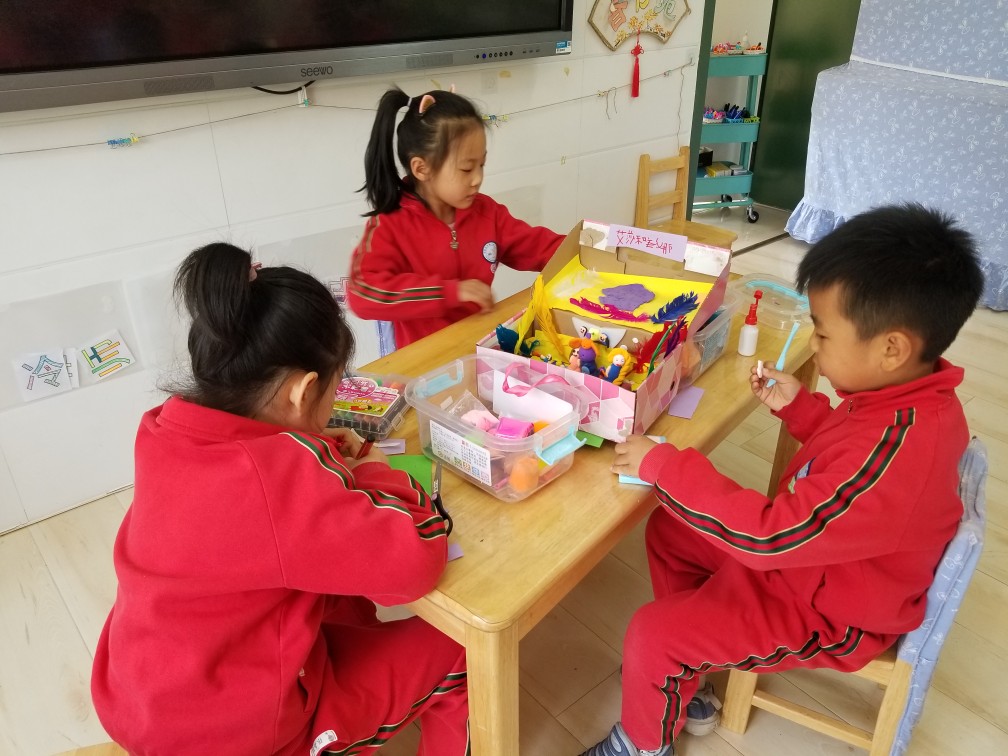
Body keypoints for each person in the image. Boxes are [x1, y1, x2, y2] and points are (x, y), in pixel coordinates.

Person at [583, 203, 984, 756]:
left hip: (833, 609)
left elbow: (772, 537)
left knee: (653, 633)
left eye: (822, 334)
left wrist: (664, 465)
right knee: (670, 532)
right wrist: (803, 411)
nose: (813, 345)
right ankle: (688, 668)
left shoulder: (899, 451)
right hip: (817, 564)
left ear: (891, 348)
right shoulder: (908, 402)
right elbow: (848, 464)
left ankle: (640, 744)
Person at [91, 243, 468, 755]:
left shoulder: (165, 429)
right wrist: (375, 469)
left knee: (343, 598)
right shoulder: (273, 481)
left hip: (145, 697)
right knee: (462, 653)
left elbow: (258, 514)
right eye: (335, 391)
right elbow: (416, 561)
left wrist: (314, 448)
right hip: (232, 739)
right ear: (302, 391)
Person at [346, 86, 564, 349]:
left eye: (481, 165)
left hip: (479, 348)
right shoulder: (390, 224)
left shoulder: (487, 212)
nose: (477, 179)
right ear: (421, 168)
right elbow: (361, 293)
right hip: (426, 362)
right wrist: (450, 292)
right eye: (466, 168)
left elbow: (538, 246)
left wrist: (586, 248)